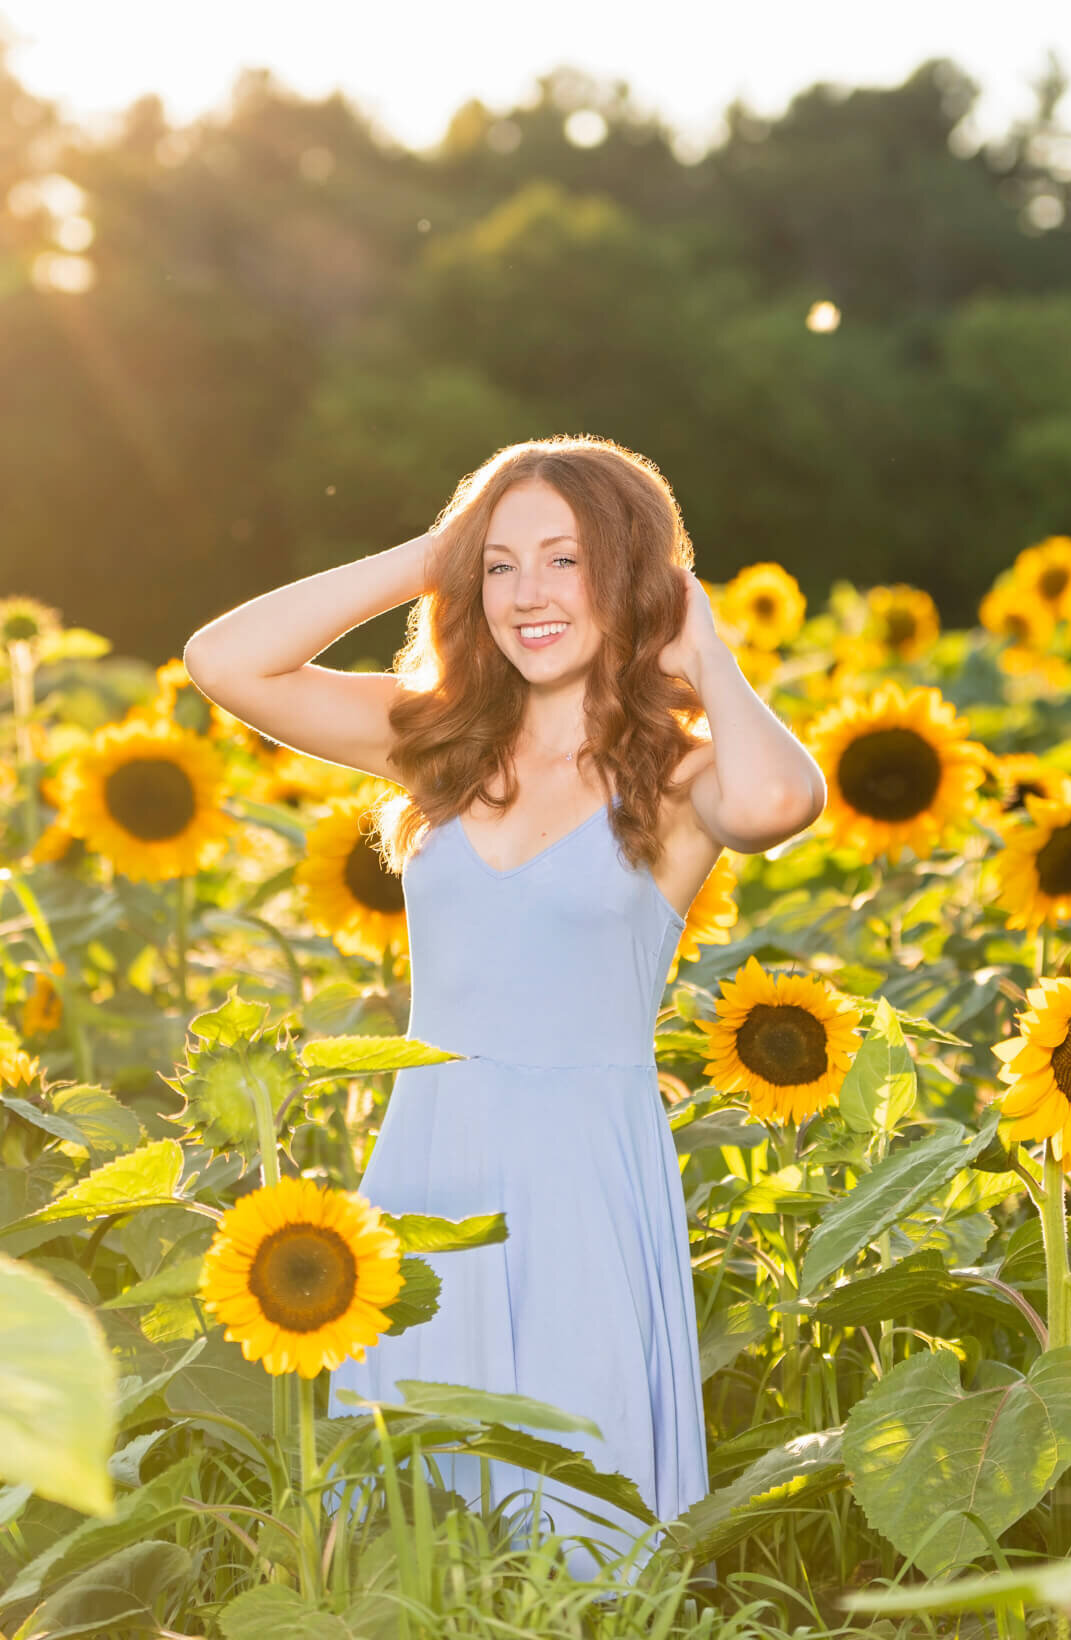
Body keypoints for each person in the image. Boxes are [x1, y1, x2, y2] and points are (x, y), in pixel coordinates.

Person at [183, 433, 825, 1591]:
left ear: (632, 577)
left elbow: (781, 798)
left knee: (578, 1527)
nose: (529, 593)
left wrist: (707, 649)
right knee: (408, 1525)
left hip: (582, 1176)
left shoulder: (672, 779)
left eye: (566, 560)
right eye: (502, 565)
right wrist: (434, 550)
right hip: (429, 1168)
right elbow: (223, 658)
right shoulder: (435, 743)